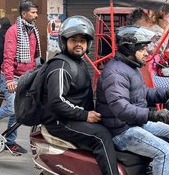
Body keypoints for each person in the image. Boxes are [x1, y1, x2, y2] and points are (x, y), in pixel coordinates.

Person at [41, 15, 120, 175]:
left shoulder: (78, 62)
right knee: (102, 136)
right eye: (73, 40)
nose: (78, 44)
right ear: (64, 42)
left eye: (82, 41)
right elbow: (57, 101)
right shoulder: (60, 66)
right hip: (60, 121)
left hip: (73, 117)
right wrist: (85, 115)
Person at [96, 25, 169, 175]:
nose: (146, 53)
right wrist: (154, 114)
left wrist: (166, 93)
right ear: (129, 49)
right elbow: (121, 108)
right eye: (141, 49)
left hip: (134, 123)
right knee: (166, 152)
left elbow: (142, 93)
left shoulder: (130, 67)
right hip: (121, 130)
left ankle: (152, 168)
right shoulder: (115, 73)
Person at [0, 0, 41, 154]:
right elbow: (8, 57)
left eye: (36, 12)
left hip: (26, 76)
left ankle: (10, 141)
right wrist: (10, 79)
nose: (36, 15)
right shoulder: (13, 31)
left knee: (19, 110)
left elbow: (34, 56)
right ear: (24, 14)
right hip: (12, 77)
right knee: (12, 107)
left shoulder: (32, 31)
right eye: (33, 12)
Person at [126, 8, 169, 90]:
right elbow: (157, 49)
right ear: (138, 23)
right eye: (147, 21)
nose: (150, 24)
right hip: (147, 78)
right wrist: (167, 28)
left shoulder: (148, 35)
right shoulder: (136, 38)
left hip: (158, 72)